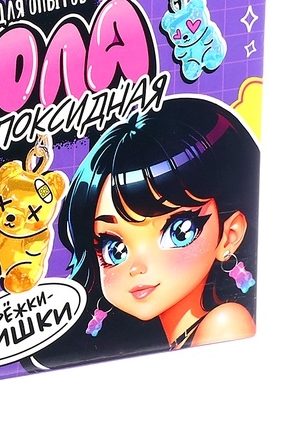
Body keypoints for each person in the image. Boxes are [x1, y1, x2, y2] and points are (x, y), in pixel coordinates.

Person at [28, 97, 258, 370]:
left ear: (229, 235)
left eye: (178, 232)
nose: (137, 267)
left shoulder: (225, 324)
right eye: (114, 248)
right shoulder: (172, 343)